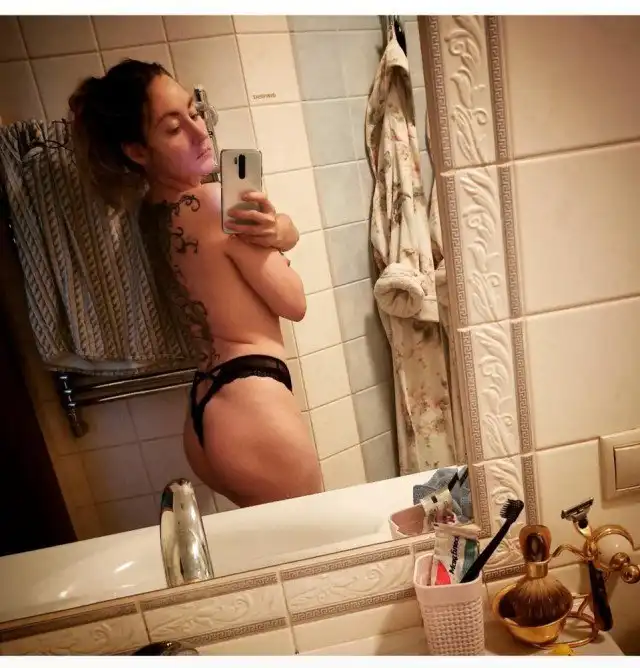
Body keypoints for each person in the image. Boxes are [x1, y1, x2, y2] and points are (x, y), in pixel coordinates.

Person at [69, 59, 323, 507]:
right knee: (319, 542)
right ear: (137, 151)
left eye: (194, 112)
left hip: (204, 409)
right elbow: (294, 301)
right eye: (173, 127)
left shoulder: (148, 215)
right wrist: (279, 235)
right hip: (253, 407)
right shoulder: (215, 201)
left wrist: (280, 230)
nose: (199, 131)